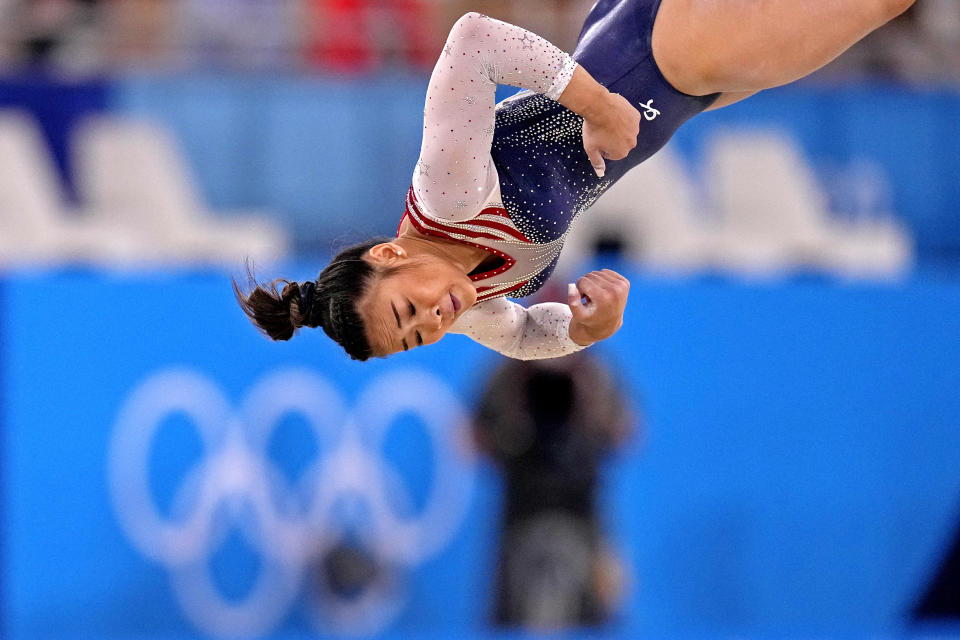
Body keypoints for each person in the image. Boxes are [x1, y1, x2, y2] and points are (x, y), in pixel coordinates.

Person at [236, 0, 916, 361]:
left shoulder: (449, 194)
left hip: (659, 54)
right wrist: (588, 331)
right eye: (418, 338)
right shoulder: (468, 304)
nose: (433, 319)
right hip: (684, 87)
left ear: (388, 255)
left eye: (408, 310)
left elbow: (473, 41)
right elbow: (527, 337)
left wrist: (599, 106)